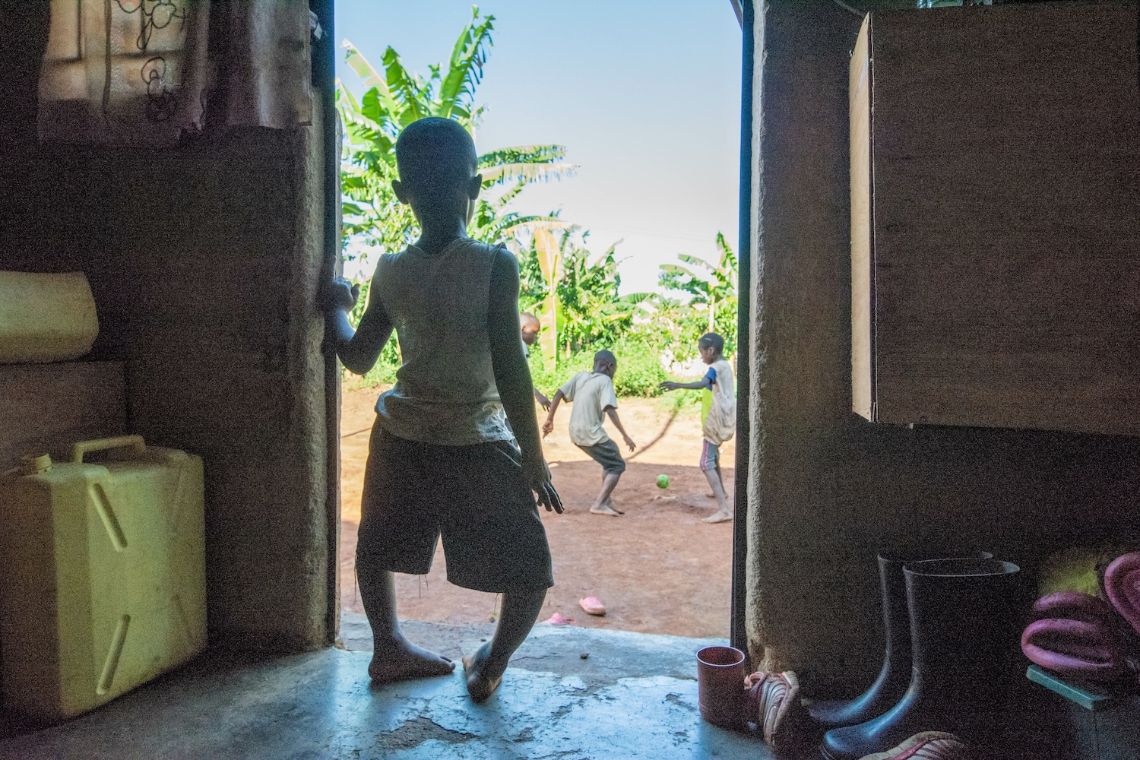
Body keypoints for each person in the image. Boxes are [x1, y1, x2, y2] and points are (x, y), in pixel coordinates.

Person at [322, 117, 562, 703]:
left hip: (401, 437)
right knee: (529, 566)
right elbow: (512, 369)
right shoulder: (495, 264)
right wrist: (533, 458)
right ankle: (491, 663)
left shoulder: (390, 270)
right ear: (474, 187)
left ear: (401, 193)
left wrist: (335, 307)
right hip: (477, 439)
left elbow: (357, 357)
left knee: (376, 547)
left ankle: (387, 648)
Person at [542, 350, 636, 517]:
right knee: (617, 465)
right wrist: (625, 436)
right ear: (609, 366)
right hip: (590, 433)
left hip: (575, 432)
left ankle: (606, 500)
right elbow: (610, 409)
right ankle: (599, 504)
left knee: (609, 461)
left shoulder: (581, 376)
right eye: (615, 369)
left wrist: (550, 419)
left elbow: (559, 393)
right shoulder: (605, 380)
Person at [659, 332, 736, 524]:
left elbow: (703, 383)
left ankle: (724, 510)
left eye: (702, 352)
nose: (701, 356)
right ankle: (721, 492)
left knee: (705, 463)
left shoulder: (715, 368)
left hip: (715, 420)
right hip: (724, 416)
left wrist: (677, 384)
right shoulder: (725, 365)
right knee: (714, 457)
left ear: (711, 350)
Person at [519, 312, 551, 410]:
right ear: (523, 328)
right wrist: (538, 396)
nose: (535, 337)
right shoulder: (520, 345)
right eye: (534, 332)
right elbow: (522, 377)